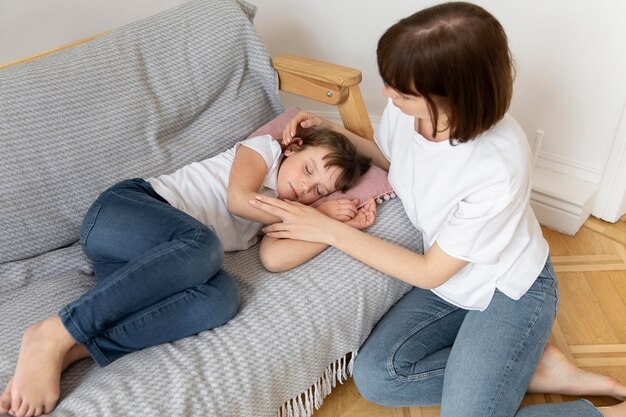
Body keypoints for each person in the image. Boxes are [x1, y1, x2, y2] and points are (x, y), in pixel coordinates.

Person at [248, 2, 626, 416]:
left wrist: (328, 229)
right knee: (377, 376)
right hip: (453, 285)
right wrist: (324, 127)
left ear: (451, 97)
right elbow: (396, 162)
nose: (387, 95)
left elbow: (427, 270)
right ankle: (532, 369)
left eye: (401, 90)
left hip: (507, 290)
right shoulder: (406, 115)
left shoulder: (497, 164)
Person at [0, 129, 373, 417]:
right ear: (292, 147)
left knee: (222, 298)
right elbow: (238, 200)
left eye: (317, 192)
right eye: (308, 169)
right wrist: (317, 214)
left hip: (146, 266)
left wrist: (334, 232)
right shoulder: (264, 151)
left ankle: (73, 350)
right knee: (205, 246)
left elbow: (274, 259)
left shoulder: (282, 211)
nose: (306, 187)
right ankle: (53, 332)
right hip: (123, 215)